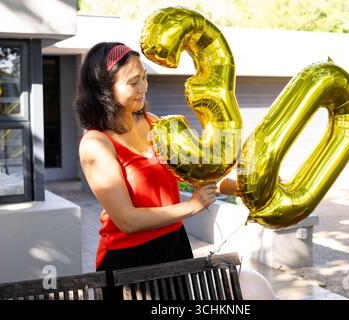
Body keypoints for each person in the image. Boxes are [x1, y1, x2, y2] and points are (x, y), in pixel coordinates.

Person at [74, 42, 236, 300]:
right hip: (129, 260)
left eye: (145, 78)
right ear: (105, 89)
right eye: (133, 82)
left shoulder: (156, 124)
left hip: (174, 244)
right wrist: (191, 207)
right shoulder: (96, 144)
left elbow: (200, 172)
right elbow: (127, 220)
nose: (143, 88)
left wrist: (242, 186)